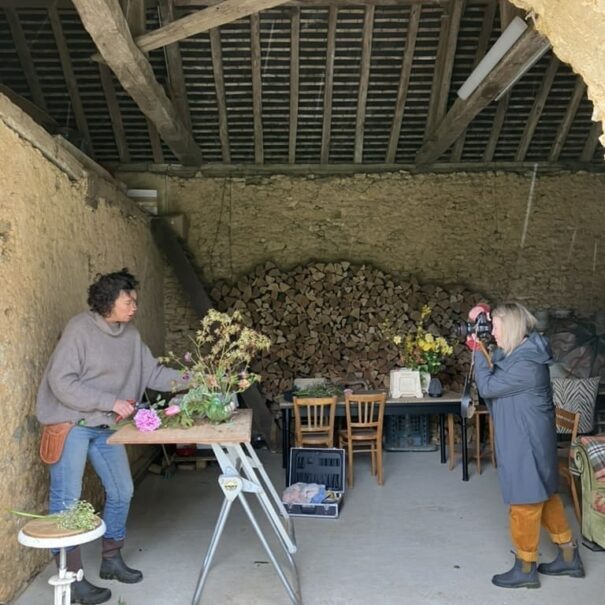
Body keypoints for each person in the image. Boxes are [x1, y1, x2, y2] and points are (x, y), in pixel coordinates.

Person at [36, 269, 186, 605]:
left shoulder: (130, 335)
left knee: (122, 490)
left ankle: (112, 559)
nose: (134, 307)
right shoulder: (80, 329)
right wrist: (111, 402)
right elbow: (62, 382)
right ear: (108, 301)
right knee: (67, 501)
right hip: (71, 423)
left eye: (135, 300)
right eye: (128, 300)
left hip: (105, 426)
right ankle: (72, 579)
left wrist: (194, 376)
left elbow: (155, 373)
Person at [467, 301, 585, 589]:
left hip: (525, 443)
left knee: (523, 504)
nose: (491, 332)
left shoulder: (527, 365)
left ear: (510, 326)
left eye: (494, 326)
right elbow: (497, 363)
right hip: (528, 438)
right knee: (544, 497)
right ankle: (569, 555)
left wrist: (476, 352)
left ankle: (525, 566)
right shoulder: (520, 354)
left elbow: (489, 387)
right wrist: (479, 325)